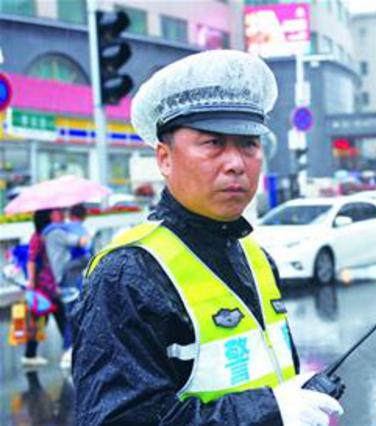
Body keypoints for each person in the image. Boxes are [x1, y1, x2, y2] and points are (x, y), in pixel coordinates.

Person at [73, 50, 344, 425]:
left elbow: (263, 376)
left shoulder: (255, 257)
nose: (236, 162)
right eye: (213, 143)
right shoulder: (127, 275)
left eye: (249, 143)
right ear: (165, 158)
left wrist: (299, 398)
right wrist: (269, 413)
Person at [42, 207, 89, 368]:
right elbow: (81, 242)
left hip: (62, 278)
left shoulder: (49, 232)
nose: (62, 215)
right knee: (73, 314)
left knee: (71, 313)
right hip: (67, 278)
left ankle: (70, 350)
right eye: (58, 212)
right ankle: (69, 351)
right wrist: (86, 236)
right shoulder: (56, 233)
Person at [22, 209, 64, 367]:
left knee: (48, 320)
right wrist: (31, 283)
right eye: (52, 214)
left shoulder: (49, 235)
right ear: (46, 218)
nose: (56, 216)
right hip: (43, 287)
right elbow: (31, 260)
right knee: (51, 319)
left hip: (51, 285)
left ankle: (30, 354)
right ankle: (69, 350)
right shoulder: (38, 238)